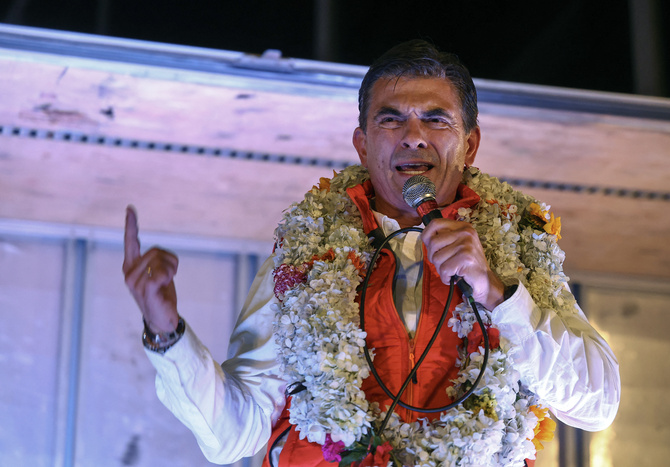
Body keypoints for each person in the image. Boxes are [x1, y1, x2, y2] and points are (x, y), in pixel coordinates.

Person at [123, 40, 620, 467]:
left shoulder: (516, 245)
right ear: (362, 145)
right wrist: (167, 334)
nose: (413, 136)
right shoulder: (304, 254)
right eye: (391, 119)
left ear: (470, 145)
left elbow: (597, 403)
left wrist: (497, 294)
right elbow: (236, 432)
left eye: (435, 119)